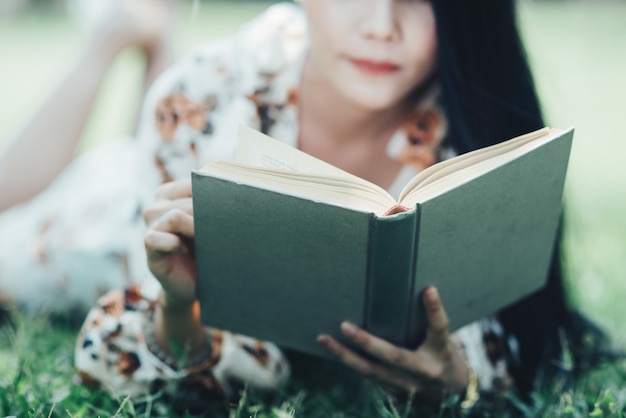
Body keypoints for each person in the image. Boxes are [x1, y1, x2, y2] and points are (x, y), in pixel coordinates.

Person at [0, 0, 604, 410]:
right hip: (101, 225)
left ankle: (150, 36)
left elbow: (506, 336)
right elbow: (167, 348)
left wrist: (454, 383)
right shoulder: (201, 95)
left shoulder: (472, 127)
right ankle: (119, 37)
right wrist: (180, 306)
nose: (382, 24)